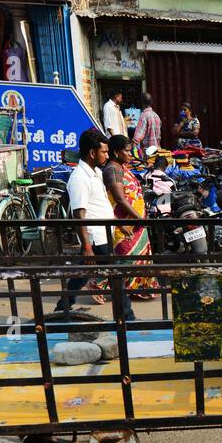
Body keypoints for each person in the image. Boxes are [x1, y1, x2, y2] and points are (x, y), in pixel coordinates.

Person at [55, 128, 131, 320]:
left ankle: (61, 309)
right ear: (92, 153)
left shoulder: (96, 172)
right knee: (116, 279)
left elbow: (100, 206)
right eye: (104, 152)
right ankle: (128, 318)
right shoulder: (79, 178)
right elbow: (79, 214)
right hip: (96, 239)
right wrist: (87, 246)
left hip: (103, 234)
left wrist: (117, 223)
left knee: (80, 275)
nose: (107, 155)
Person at [103, 134, 155, 300]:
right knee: (126, 257)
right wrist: (138, 218)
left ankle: (136, 288)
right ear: (117, 152)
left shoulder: (121, 167)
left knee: (137, 257)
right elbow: (119, 199)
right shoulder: (112, 169)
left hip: (135, 221)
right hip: (125, 223)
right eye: (127, 151)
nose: (131, 154)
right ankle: (102, 284)